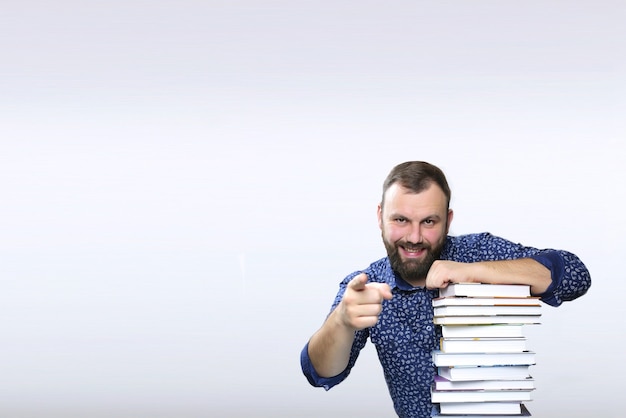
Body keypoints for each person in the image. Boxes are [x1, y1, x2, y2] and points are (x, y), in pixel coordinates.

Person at [300, 161, 591, 418]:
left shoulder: (480, 251)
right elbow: (320, 373)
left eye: (429, 222)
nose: (414, 237)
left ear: (448, 221)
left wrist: (472, 271)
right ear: (380, 217)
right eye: (401, 220)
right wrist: (341, 321)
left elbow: (576, 276)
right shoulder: (365, 285)